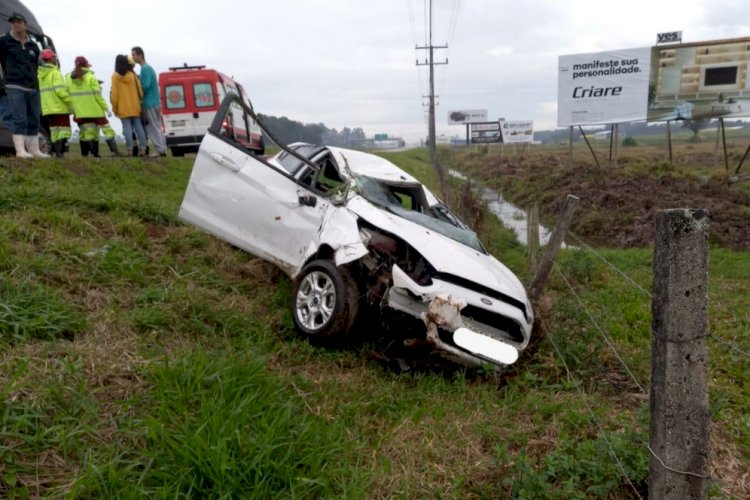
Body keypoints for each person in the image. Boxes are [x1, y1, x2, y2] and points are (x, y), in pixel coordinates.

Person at [0, 12, 47, 158]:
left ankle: (34, 150)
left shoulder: (33, 45)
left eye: (18, 22)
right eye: (13, 22)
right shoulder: (4, 41)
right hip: (14, 85)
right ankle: (20, 150)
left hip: (32, 86)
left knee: (33, 118)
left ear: (25, 24)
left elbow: (35, 65)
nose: (15, 24)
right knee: (19, 118)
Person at [66, 56, 120, 157]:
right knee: (108, 130)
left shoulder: (68, 78)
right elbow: (98, 96)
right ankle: (114, 152)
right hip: (96, 111)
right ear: (86, 64)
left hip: (81, 112)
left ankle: (91, 154)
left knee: (88, 133)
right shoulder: (91, 77)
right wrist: (106, 109)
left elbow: (68, 95)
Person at [131, 46, 166, 157]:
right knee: (157, 126)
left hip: (149, 102)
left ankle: (159, 150)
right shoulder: (149, 68)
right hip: (155, 101)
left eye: (134, 55)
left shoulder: (145, 69)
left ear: (140, 55)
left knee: (152, 128)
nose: (133, 57)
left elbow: (145, 86)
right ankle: (162, 148)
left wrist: (137, 84)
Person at [111, 54, 147, 156]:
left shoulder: (114, 76)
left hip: (123, 107)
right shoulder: (132, 75)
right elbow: (140, 91)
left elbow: (114, 95)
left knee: (127, 129)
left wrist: (115, 108)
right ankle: (143, 149)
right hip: (135, 106)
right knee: (139, 127)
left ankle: (129, 151)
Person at [38, 49, 72, 157]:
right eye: (54, 57)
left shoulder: (40, 75)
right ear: (51, 59)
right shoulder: (55, 73)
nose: (55, 59)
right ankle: (59, 153)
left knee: (54, 131)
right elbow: (60, 91)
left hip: (48, 109)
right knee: (63, 130)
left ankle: (57, 153)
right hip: (60, 108)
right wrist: (71, 101)